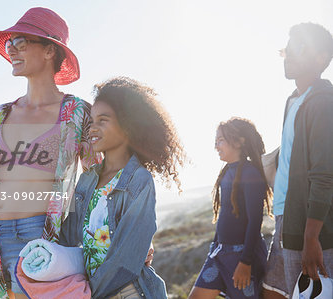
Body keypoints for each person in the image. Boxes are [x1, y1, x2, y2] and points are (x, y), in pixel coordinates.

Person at [0, 7, 101, 299]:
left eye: (21, 42)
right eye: (10, 43)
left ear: (49, 50)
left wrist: (118, 239)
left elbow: (97, 183)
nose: (12, 49)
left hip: (43, 241)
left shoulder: (77, 113)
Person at [58, 77, 185, 299]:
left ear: (128, 126)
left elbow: (127, 259)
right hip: (91, 290)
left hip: (128, 292)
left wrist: (88, 294)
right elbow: (68, 239)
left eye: (103, 120)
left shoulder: (139, 180)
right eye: (91, 122)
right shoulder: (86, 180)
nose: (92, 128)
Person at [262, 22, 333, 299]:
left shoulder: (323, 102)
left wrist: (312, 236)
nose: (289, 56)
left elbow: (324, 173)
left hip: (312, 229)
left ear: (321, 58)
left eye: (297, 49)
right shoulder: (293, 100)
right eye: (287, 50)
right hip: (286, 220)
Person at [189, 117, 272, 299]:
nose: (216, 146)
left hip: (241, 258)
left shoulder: (250, 173)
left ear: (238, 141)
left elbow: (255, 221)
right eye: (215, 141)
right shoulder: (227, 171)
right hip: (219, 254)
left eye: (220, 140)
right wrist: (214, 247)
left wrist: (245, 261)